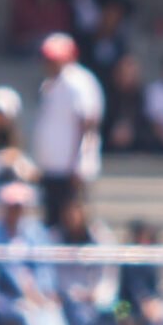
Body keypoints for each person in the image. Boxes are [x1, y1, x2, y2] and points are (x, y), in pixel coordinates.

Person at [0, 182, 68, 325]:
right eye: (12, 207)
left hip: (37, 292)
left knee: (51, 307)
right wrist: (25, 291)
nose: (16, 211)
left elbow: (44, 265)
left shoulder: (35, 232)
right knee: (26, 310)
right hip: (8, 296)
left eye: (19, 207)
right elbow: (0, 272)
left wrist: (44, 290)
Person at [32, 33, 103, 227]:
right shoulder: (49, 84)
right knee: (52, 223)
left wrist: (81, 162)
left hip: (70, 170)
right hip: (52, 169)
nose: (49, 64)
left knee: (72, 223)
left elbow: (88, 124)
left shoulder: (77, 81)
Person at [51, 198, 119, 325]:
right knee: (77, 312)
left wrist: (97, 294)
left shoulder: (101, 237)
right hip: (70, 298)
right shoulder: (56, 238)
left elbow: (109, 275)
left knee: (122, 311)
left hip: (101, 298)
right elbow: (57, 275)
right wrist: (75, 293)